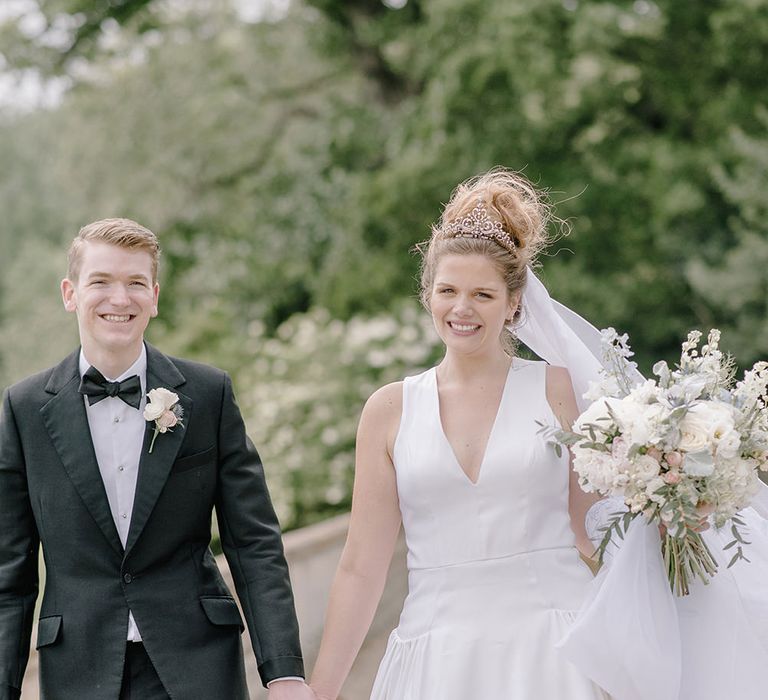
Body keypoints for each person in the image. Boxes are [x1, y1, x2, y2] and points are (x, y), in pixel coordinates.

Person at [309, 170, 610, 699]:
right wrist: (322, 690)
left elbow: (595, 530)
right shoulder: (389, 410)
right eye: (447, 290)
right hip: (436, 659)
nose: (462, 308)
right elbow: (361, 567)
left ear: (514, 303)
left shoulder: (561, 389)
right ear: (428, 295)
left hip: (553, 650)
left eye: (483, 294)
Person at [0, 219, 314, 699]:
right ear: (70, 293)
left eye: (135, 283)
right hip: (79, 671)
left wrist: (284, 672)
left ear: (155, 296)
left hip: (197, 665)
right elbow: (10, 573)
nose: (119, 299)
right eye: (101, 281)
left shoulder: (209, 395)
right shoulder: (23, 410)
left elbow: (254, 544)